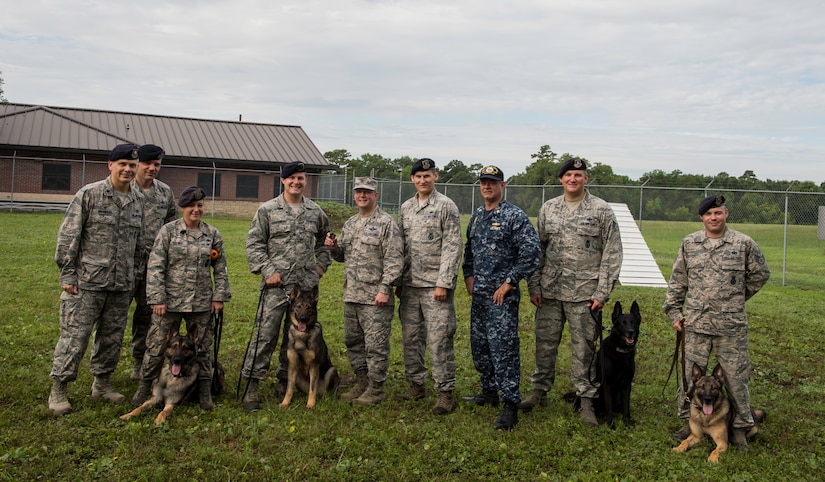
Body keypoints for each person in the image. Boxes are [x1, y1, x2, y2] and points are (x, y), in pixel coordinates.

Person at [522, 157, 623, 427]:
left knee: (585, 351)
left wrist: (602, 293)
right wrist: (534, 285)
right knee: (544, 346)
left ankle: (587, 400)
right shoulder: (548, 209)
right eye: (568, 175)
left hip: (585, 295)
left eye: (578, 175)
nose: (573, 179)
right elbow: (537, 251)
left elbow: (612, 253)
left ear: (586, 179)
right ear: (561, 180)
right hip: (550, 292)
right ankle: (539, 392)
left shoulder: (601, 210)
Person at [664, 195, 770, 450]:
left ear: (726, 214)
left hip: (730, 327)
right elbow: (678, 280)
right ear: (702, 217)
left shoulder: (743, 243)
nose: (714, 218)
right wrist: (674, 313)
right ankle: (689, 422)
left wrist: (736, 298)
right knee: (691, 380)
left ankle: (741, 427)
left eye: (718, 213)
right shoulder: (690, 243)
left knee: (735, 378)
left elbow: (760, 274)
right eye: (709, 214)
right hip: (696, 324)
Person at [48, 143, 146, 415]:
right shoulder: (89, 194)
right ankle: (59, 389)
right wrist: (68, 273)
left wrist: (134, 276)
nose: (127, 169)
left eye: (132, 165)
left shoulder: (137, 201)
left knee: (112, 338)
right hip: (86, 284)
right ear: (110, 165)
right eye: (122, 164)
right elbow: (69, 236)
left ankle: (102, 383)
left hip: (120, 285)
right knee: (74, 338)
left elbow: (139, 244)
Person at [240, 161, 332, 410]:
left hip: (305, 290)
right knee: (265, 336)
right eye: (291, 178)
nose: (296, 182)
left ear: (305, 181)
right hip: (276, 286)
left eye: (301, 178)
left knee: (297, 336)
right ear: (283, 181)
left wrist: (321, 266)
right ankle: (251, 387)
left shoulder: (315, 211)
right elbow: (254, 244)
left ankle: (285, 380)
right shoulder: (268, 210)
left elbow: (325, 242)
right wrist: (268, 271)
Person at [130, 186, 231, 410]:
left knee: (203, 349)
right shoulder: (168, 232)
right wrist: (156, 298)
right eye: (191, 206)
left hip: (201, 301)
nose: (196, 210)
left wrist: (219, 296)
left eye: (200, 206)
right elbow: (155, 266)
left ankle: (205, 393)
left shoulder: (212, 234)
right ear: (182, 208)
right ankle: (144, 387)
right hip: (169, 302)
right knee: (157, 346)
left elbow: (221, 268)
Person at [461, 165, 540, 430]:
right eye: (483, 182)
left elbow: (531, 252)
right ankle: (489, 392)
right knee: (480, 347)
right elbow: (469, 250)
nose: (487, 186)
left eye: (492, 182)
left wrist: (509, 282)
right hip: (480, 297)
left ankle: (510, 404)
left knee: (503, 349)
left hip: (501, 299)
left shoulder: (513, 216)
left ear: (502, 186)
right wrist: (468, 276)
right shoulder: (477, 216)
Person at [325, 177, 404, 405]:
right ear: (354, 195)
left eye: (367, 192)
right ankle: (362, 381)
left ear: (375, 196)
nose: (362, 195)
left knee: (375, 346)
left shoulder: (387, 224)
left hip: (375, 298)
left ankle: (376, 388)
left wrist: (385, 289)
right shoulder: (350, 224)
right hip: (352, 295)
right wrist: (333, 249)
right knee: (354, 342)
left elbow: (394, 260)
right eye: (359, 191)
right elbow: (343, 256)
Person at [396, 157, 463, 415]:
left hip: (435, 286)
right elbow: (400, 246)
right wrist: (400, 281)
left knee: (439, 340)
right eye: (418, 176)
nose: (423, 180)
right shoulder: (406, 208)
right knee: (411, 338)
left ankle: (445, 392)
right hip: (411, 285)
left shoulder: (447, 206)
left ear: (435, 176)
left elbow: (452, 246)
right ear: (412, 179)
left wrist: (444, 282)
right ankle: (415, 384)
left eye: (427, 176)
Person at [128, 144, 177, 382]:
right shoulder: (124, 189)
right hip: (124, 267)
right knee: (113, 322)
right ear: (137, 164)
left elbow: (172, 226)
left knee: (146, 320)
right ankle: (101, 375)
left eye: (156, 164)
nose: (151, 168)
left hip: (153, 270)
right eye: (147, 163)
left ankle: (140, 365)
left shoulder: (164, 193)